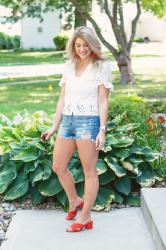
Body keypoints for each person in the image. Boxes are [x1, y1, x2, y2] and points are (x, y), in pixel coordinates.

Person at [41, 26, 113, 232]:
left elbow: (103, 101)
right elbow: (62, 99)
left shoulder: (101, 66)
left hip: (88, 121)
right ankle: (74, 200)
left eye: (86, 45)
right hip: (68, 122)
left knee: (89, 171)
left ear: (93, 45)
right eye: (78, 45)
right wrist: (54, 126)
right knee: (58, 166)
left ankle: (85, 216)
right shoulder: (68, 66)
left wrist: (102, 130)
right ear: (73, 46)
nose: (82, 49)